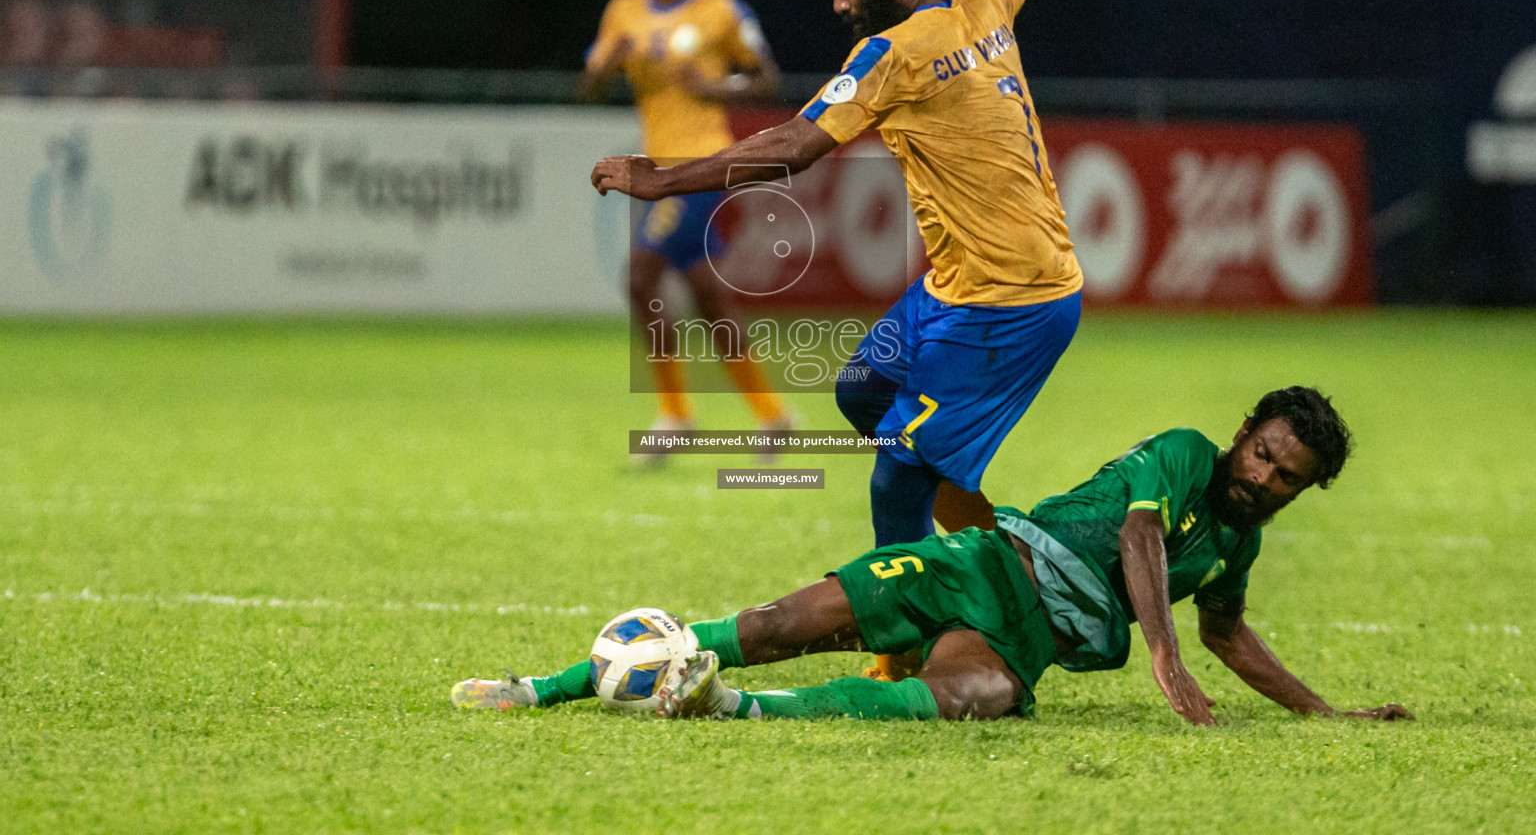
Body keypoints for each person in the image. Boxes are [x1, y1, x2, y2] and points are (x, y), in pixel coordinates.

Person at [592, 0, 1083, 664]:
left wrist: (663, 177)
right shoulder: (983, 0)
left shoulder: (890, 54)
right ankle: (1005, 563)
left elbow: (794, 146)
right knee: (861, 392)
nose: (836, 4)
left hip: (1012, 303)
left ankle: (907, 646)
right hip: (953, 288)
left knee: (895, 480)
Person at [452, 387, 1413, 726]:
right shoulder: (1185, 456)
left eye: (1287, 477)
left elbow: (1232, 634)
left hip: (1024, 636)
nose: (1263, 478)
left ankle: (729, 706)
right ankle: (543, 687)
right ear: (1243, 433)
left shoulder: (1236, 544)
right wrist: (1160, 653)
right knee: (782, 625)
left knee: (977, 700)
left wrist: (1328, 712)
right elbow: (1139, 537)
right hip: (984, 563)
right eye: (1264, 453)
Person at [580, 0, 793, 459]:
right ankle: (773, 416)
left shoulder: (722, 12)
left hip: (703, 167)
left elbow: (767, 80)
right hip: (658, 169)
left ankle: (675, 416)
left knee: (638, 275)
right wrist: (607, 65)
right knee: (706, 300)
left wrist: (712, 90)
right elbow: (589, 87)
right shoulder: (623, 12)